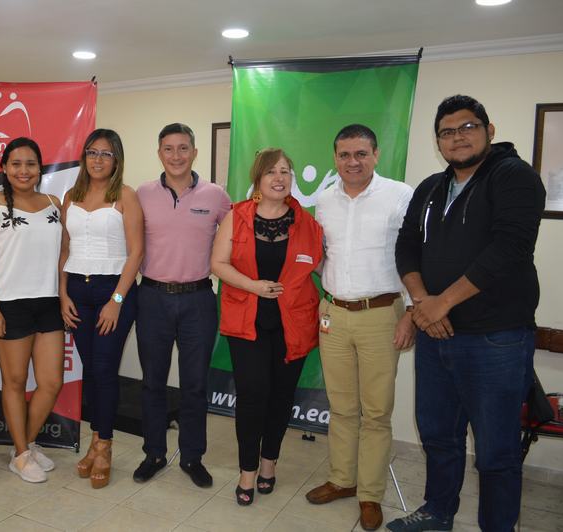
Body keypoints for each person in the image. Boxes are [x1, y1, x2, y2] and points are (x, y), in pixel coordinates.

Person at [389, 95, 545, 532]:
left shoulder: (514, 177)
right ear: (438, 141)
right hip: (436, 334)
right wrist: (423, 304)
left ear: (489, 131)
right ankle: (438, 513)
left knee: (496, 451)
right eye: (447, 131)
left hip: (496, 339)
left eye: (467, 127)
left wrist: (443, 302)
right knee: (438, 435)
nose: (457, 137)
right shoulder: (430, 188)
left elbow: (508, 250)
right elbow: (406, 246)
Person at [305, 124, 415, 531]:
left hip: (382, 315)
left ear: (376, 154)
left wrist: (412, 312)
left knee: (376, 412)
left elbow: (414, 255)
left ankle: (370, 494)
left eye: (361, 154)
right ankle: (341, 479)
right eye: (345, 155)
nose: (353, 162)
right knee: (342, 406)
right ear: (335, 157)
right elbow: (319, 254)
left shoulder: (399, 195)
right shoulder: (324, 200)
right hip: (333, 313)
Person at [211, 148, 323, 505]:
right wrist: (254, 286)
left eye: (286, 171)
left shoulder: (308, 223)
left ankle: (269, 464)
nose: (280, 177)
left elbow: (323, 267)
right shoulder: (237, 216)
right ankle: (247, 470)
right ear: (257, 179)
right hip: (248, 322)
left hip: (295, 323)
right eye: (272, 171)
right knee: (252, 396)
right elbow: (218, 263)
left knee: (280, 398)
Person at [133, 123, 231, 488]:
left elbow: (240, 236)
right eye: (169, 148)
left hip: (199, 300)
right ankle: (154, 453)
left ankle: (192, 457)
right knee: (153, 383)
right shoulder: (141, 194)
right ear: (159, 153)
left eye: (183, 148)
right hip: (153, 298)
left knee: (194, 385)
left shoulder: (216, 195)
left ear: (194, 151)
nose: (176, 155)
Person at [0, 137, 64, 484]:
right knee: (14, 382)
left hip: (48, 302)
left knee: (51, 382)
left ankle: (23, 444)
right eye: (15, 164)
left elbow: (62, 256)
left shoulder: (55, 203)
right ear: (4, 168)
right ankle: (22, 453)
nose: (23, 170)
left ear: (40, 168)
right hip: (10, 303)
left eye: (30, 164)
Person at [59, 129, 143, 488]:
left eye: (106, 154)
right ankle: (95, 441)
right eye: (92, 152)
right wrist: (62, 295)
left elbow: (136, 252)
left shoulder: (125, 195)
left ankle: (104, 446)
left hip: (115, 291)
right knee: (91, 370)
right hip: (77, 290)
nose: (97, 159)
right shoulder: (70, 196)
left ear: (117, 160)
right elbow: (63, 249)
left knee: (106, 369)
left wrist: (117, 302)